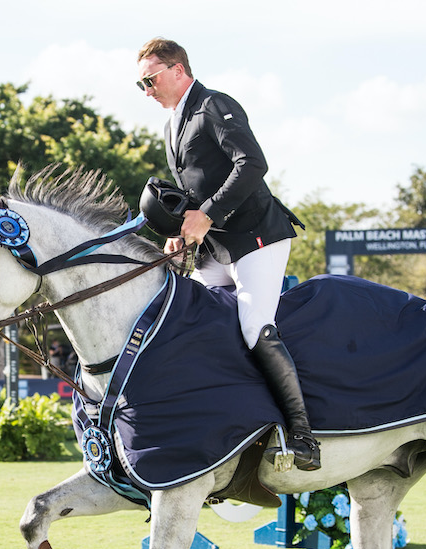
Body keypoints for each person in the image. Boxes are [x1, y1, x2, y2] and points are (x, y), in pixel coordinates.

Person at [135, 37, 320, 470]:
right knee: (191, 319)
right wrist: (182, 230)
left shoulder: (214, 105)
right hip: (216, 249)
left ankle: (302, 433)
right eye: (139, 84)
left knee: (255, 324)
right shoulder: (172, 125)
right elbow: (193, 190)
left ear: (177, 69)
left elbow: (252, 163)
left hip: (257, 238)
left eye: (150, 79)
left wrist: (208, 214)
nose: (146, 91)